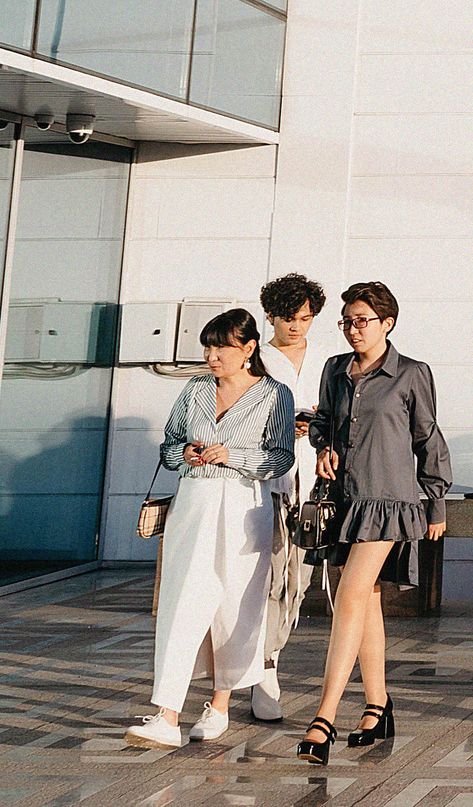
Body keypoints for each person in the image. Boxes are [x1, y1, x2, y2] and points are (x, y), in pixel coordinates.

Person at [125, 310, 296, 748]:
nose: (211, 356)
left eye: (221, 347)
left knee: (236, 605)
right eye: (208, 347)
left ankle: (219, 707)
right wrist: (186, 452)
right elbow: (168, 447)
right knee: (180, 603)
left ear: (249, 349)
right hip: (194, 503)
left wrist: (232, 456)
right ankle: (166, 716)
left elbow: (281, 458)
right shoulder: (195, 388)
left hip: (245, 507)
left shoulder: (275, 395)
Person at [296, 283, 451, 763]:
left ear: (387, 323)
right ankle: (377, 706)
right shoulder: (334, 370)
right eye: (347, 320)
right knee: (366, 601)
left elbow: (428, 438)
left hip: (390, 503)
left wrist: (436, 503)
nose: (353, 329)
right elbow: (322, 422)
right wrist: (323, 446)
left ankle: (323, 718)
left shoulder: (411, 373)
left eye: (362, 320)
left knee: (347, 596)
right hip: (345, 501)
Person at [253, 272, 327, 720]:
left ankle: (271, 659)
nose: (296, 327)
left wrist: (317, 425)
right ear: (271, 317)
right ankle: (260, 667)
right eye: (287, 318)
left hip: (313, 485)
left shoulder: (328, 362)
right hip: (263, 484)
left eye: (304, 318)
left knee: (296, 580)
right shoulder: (255, 360)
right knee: (264, 576)